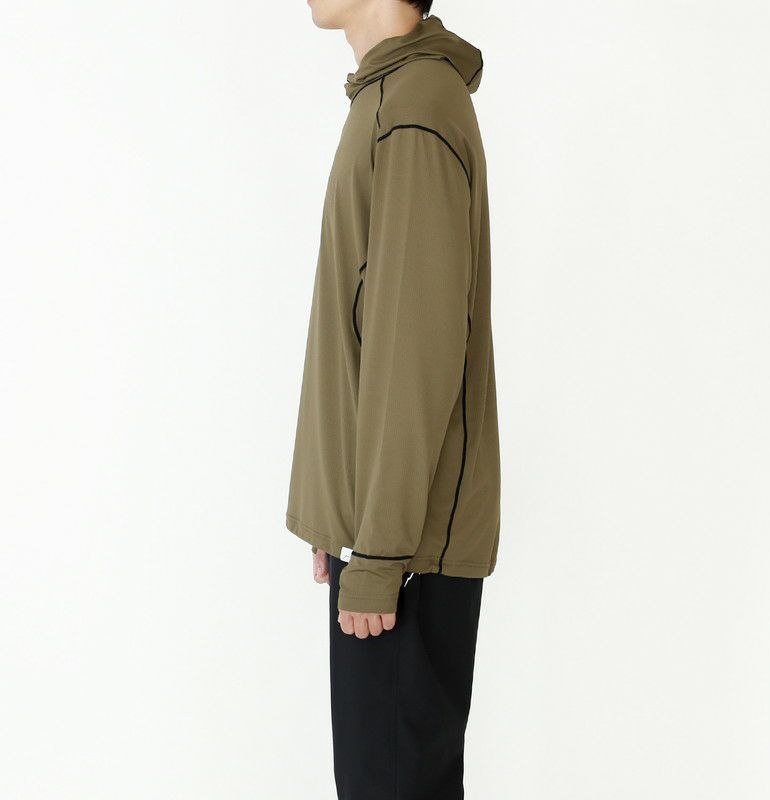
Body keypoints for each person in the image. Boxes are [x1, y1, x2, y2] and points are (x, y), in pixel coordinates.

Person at [285, 1, 501, 796]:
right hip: (382, 532)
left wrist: (377, 555)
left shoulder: (415, 107)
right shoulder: (388, 98)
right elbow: (359, 325)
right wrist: (337, 511)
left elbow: (414, 352)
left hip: (405, 548)